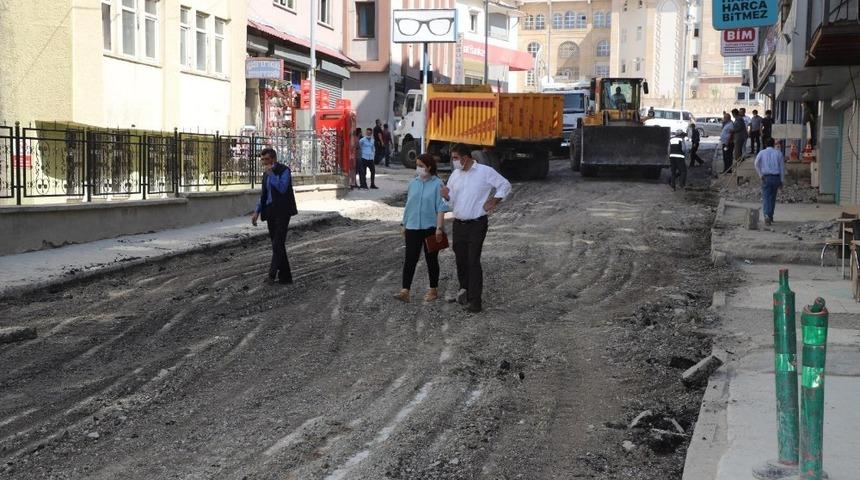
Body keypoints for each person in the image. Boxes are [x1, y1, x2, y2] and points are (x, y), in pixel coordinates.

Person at [440, 144, 511, 313]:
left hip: (477, 224)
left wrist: (494, 201)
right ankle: (464, 290)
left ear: (466, 157)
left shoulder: (484, 172)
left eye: (456, 158)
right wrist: (446, 196)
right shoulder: (455, 175)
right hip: (459, 224)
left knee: (473, 260)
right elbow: (451, 201)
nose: (454, 161)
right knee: (461, 259)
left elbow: (505, 185)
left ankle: (475, 302)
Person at [394, 154, 449, 303]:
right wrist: (404, 224)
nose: (418, 168)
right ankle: (405, 290)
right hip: (412, 226)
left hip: (430, 227)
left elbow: (441, 207)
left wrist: (439, 228)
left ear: (429, 167)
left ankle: (433, 289)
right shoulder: (413, 183)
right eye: (417, 165)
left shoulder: (438, 184)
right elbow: (409, 206)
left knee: (431, 260)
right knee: (410, 259)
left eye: (421, 165)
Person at [251, 148, 298, 285]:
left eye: (266, 159)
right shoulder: (265, 174)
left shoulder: (284, 170)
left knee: (278, 243)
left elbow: (282, 188)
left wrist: (271, 174)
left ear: (273, 158)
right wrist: (257, 212)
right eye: (262, 160)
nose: (264, 162)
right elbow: (264, 195)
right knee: (277, 245)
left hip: (283, 211)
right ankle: (286, 277)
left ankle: (271, 275)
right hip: (270, 211)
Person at [754, 137, 786, 226]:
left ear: (765, 144)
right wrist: (781, 181)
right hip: (776, 178)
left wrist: (760, 175)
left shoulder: (762, 153)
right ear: (773, 144)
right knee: (772, 197)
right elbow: (782, 169)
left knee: (766, 197)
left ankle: (767, 216)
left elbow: (756, 164)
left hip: (766, 178)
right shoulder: (778, 153)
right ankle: (770, 216)